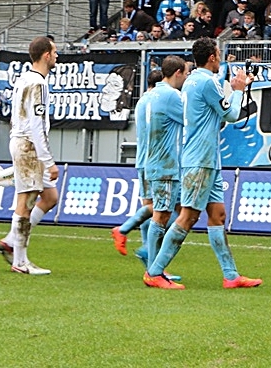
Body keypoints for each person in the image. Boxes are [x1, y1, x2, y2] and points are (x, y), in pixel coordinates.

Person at [143, 37, 261, 290]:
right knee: (188, 216)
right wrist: (238, 89)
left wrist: (233, 89)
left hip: (207, 159)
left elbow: (214, 113)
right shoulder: (206, 82)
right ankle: (154, 272)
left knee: (217, 215)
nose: (220, 59)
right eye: (219, 54)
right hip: (200, 159)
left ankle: (231, 276)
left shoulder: (193, 81)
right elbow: (230, 114)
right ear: (212, 57)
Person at [0, 36, 59, 275]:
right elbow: (36, 123)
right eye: (54, 52)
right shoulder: (38, 84)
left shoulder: (24, 78)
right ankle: (20, 261)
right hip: (29, 146)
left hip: (22, 141)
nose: (57, 57)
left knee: (50, 196)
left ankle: (11, 241)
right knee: (25, 202)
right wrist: (48, 160)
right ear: (46, 55)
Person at [142, 57, 189, 289]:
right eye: (187, 74)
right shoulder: (172, 95)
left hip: (156, 162)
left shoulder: (153, 94)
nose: (187, 78)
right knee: (160, 216)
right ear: (178, 73)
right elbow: (192, 120)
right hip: (165, 165)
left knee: (165, 214)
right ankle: (153, 271)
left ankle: (155, 268)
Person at [110, 69, 162, 262]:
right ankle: (124, 230)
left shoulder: (142, 101)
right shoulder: (157, 101)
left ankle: (149, 259)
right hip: (155, 160)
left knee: (150, 207)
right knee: (163, 208)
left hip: (143, 160)